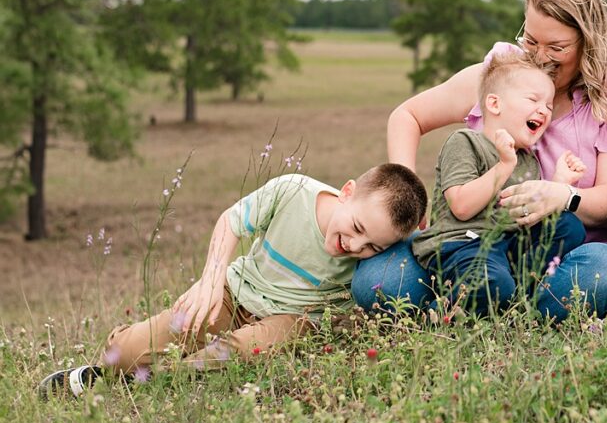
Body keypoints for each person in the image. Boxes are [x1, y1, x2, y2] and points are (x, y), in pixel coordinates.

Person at [352, 0, 607, 322]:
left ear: (587, 42)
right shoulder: (504, 76)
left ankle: (490, 307)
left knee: (605, 272)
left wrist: (561, 196)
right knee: (377, 281)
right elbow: (407, 117)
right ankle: (484, 299)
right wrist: (408, 199)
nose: (540, 57)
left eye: (557, 47)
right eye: (531, 40)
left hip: (559, 253)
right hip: (470, 243)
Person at [39, 164, 428, 398]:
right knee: (124, 352)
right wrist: (210, 280)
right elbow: (230, 220)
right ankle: (116, 369)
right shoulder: (293, 190)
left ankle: (155, 382)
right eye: (357, 227)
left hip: (291, 319)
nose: (353, 245)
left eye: (371, 246)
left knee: (242, 350)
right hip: (232, 293)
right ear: (346, 193)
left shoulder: (371, 257)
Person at [414, 51, 587, 316]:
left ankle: (514, 292)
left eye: (549, 105)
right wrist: (503, 166)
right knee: (493, 281)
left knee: (569, 227)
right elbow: (460, 206)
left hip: (506, 245)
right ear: (494, 104)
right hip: (464, 244)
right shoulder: (466, 142)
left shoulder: (527, 160)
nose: (543, 109)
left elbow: (527, 215)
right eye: (533, 99)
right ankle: (441, 312)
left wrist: (558, 183)